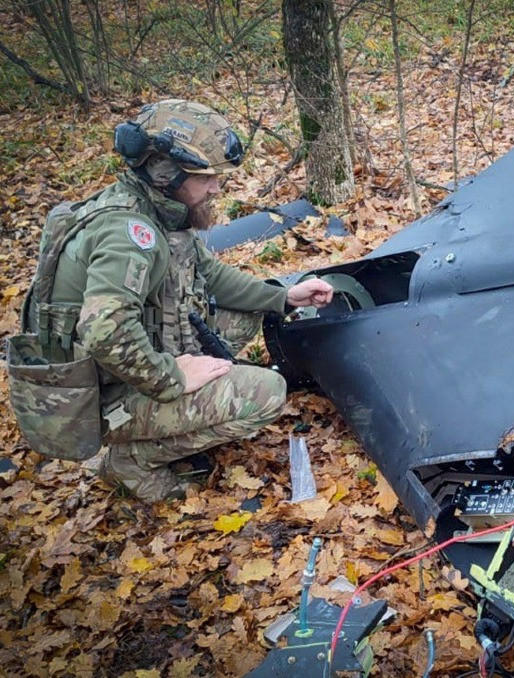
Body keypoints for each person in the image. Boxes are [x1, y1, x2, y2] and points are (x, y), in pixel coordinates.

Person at [22, 99, 334, 501]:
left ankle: (171, 420)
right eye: (205, 177)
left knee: (245, 316)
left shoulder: (157, 210)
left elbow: (212, 274)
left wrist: (283, 296)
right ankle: (131, 460)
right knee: (267, 392)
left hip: (122, 369)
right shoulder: (128, 233)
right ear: (164, 172)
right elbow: (103, 331)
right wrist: (174, 376)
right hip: (97, 400)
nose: (216, 188)